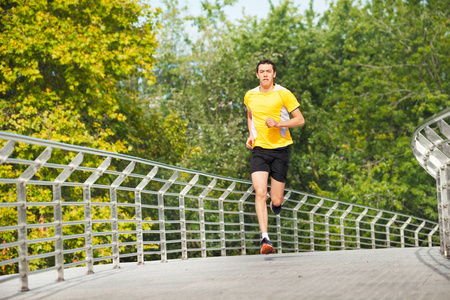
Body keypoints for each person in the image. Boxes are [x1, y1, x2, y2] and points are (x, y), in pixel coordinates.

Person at [244, 59, 305, 255]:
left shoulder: (283, 93)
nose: (265, 75)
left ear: (274, 74)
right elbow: (250, 115)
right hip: (260, 150)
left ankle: (276, 202)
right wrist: (251, 135)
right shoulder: (250, 95)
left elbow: (300, 120)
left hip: (281, 150)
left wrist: (278, 124)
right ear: (257, 75)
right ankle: (265, 238)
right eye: (261, 72)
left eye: (268, 71)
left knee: (276, 200)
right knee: (260, 192)